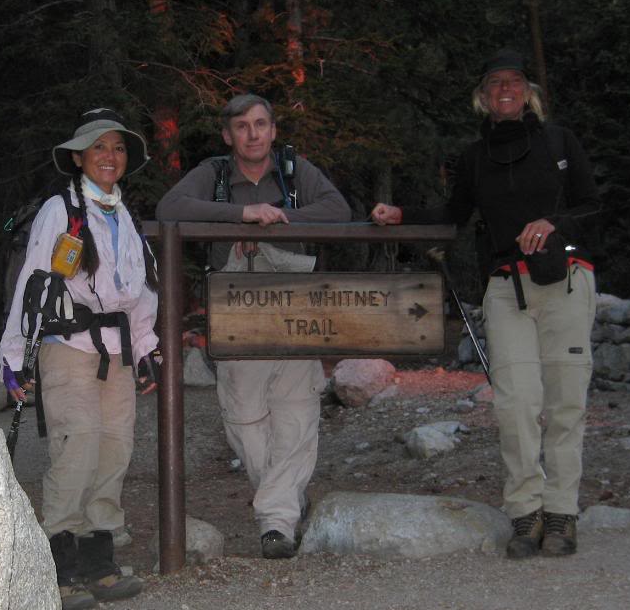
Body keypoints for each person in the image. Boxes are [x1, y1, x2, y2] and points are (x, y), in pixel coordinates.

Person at [372, 49, 600, 559]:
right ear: (483, 96)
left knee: (566, 402)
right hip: (506, 288)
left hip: (565, 280)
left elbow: (592, 203)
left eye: (514, 81)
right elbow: (454, 215)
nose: (505, 89)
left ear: (528, 92)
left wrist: (553, 223)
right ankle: (526, 514)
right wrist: (401, 214)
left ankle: (562, 513)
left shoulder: (560, 142)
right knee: (515, 404)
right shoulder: (475, 158)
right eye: (495, 82)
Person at [156, 93, 351, 558]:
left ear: (274, 129)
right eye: (242, 126)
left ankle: (276, 523)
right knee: (243, 417)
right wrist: (240, 217)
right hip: (237, 312)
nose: (253, 134)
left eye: (261, 124)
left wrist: (278, 223)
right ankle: (285, 501)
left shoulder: (294, 169)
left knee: (296, 413)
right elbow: (169, 208)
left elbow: (338, 211)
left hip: (298, 309)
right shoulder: (214, 173)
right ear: (228, 135)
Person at [0, 108, 162, 609]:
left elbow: (141, 292)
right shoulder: (60, 211)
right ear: (78, 157)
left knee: (114, 448)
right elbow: (33, 283)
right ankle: (60, 564)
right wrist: (12, 358)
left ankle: (100, 561)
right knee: (77, 448)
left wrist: (146, 351)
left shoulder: (124, 215)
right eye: (98, 147)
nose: (109, 156)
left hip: (117, 352)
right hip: (66, 347)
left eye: (117, 147)